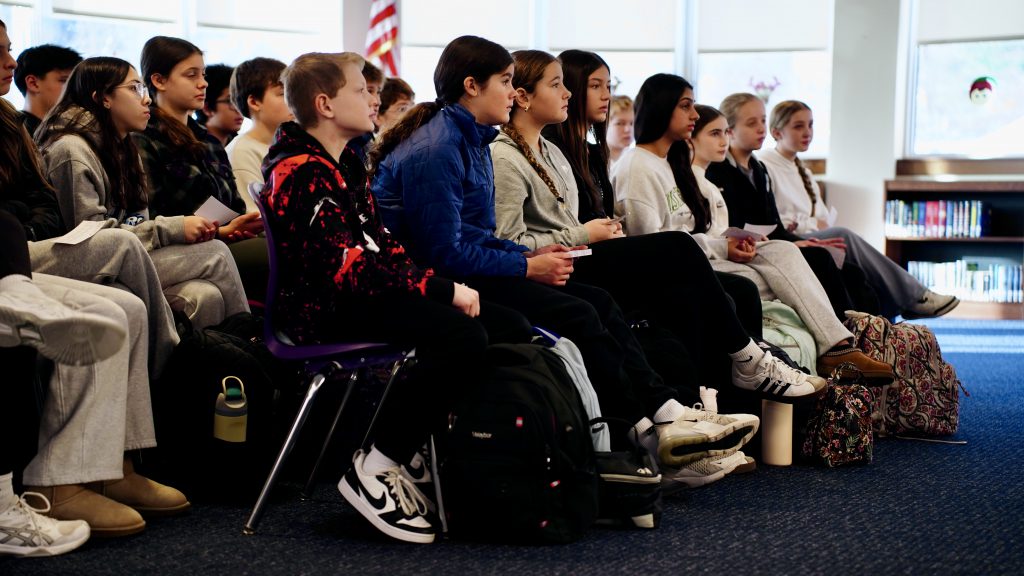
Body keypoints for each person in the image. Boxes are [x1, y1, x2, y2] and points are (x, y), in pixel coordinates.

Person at [372, 37, 771, 481]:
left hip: (476, 270)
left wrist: (535, 255)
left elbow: (480, 237)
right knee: (584, 309)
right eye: (505, 82)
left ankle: (661, 416)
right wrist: (527, 264)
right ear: (471, 86)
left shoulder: (474, 139)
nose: (510, 92)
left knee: (599, 301)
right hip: (443, 285)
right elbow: (445, 255)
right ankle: (643, 432)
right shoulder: (442, 149)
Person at [261, 51, 494, 544]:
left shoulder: (344, 161)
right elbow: (344, 267)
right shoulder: (301, 170)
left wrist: (435, 282)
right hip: (319, 312)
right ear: (325, 104)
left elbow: (382, 245)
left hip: (356, 298)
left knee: (496, 322)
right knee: (461, 336)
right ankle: (379, 461)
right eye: (361, 91)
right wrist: (439, 288)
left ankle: (426, 452)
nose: (374, 99)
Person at [612, 74, 893, 382]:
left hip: (699, 256)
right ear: (662, 107)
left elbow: (686, 233)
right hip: (679, 270)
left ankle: (837, 346)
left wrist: (729, 244)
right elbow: (655, 248)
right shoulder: (638, 167)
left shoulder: (667, 164)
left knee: (782, 249)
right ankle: (820, 350)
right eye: (686, 106)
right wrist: (721, 246)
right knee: (763, 277)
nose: (694, 114)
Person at [36, 56, 250, 330]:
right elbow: (92, 240)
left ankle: (217, 368)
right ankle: (252, 350)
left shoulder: (124, 147)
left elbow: (136, 220)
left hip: (128, 256)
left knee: (203, 295)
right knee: (216, 254)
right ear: (103, 98)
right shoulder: (71, 150)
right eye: (134, 88)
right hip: (84, 266)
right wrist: (174, 228)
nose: (146, 99)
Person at [762, 99, 959, 320]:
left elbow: (821, 216)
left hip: (811, 232)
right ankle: (915, 296)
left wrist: (817, 223)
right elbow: (777, 221)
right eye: (798, 126)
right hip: (792, 238)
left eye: (811, 125)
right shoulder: (766, 166)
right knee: (845, 236)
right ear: (776, 132)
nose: (807, 132)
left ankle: (889, 321)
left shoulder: (803, 171)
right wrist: (811, 224)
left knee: (857, 255)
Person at [705, 93, 883, 318]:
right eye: (752, 123)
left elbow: (775, 225)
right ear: (729, 131)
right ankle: (847, 332)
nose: (761, 129)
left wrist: (802, 241)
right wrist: (792, 245)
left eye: (762, 120)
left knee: (851, 270)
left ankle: (875, 331)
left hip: (772, 243)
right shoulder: (717, 171)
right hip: (747, 248)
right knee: (822, 259)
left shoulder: (759, 170)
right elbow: (731, 228)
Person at [134, 36, 267, 300]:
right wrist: (218, 231)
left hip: (223, 237)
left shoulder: (207, 139)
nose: (203, 83)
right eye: (191, 75)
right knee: (276, 258)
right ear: (159, 81)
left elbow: (234, 204)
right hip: (178, 247)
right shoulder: (143, 139)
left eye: (203, 74)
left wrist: (239, 224)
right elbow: (150, 214)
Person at [226, 57, 292, 213]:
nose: (291, 99)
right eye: (282, 93)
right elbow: (256, 218)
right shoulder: (241, 152)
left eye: (292, 92)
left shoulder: (291, 146)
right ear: (255, 102)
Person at [12, 43, 82, 135]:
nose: (74, 88)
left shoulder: (62, 130)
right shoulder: (14, 134)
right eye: (64, 81)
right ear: (33, 83)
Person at [195, 63, 242, 146]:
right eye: (230, 101)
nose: (240, 109)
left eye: (239, 100)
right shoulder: (192, 146)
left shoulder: (241, 144)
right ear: (207, 108)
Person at [606, 94, 633, 166]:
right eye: (620, 123)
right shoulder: (591, 160)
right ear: (605, 125)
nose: (628, 129)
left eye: (632, 123)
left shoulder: (635, 160)